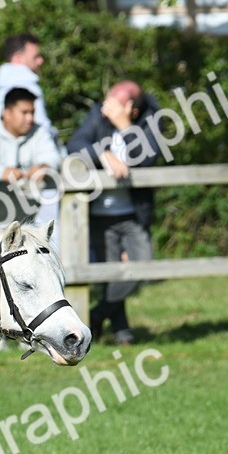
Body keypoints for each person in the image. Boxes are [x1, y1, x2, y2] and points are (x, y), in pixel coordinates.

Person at [66, 80, 162, 345]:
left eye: (114, 104)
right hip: (98, 213)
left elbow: (146, 158)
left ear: (131, 109)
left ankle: (95, 318)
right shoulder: (98, 113)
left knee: (140, 268)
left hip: (133, 213)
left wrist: (125, 128)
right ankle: (122, 332)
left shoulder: (151, 120)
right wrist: (101, 154)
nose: (105, 107)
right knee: (109, 276)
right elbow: (75, 144)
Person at [0, 87, 60, 229]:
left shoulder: (39, 132)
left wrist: (43, 166)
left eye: (32, 112)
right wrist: (2, 172)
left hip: (23, 225)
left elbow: (52, 156)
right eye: (24, 112)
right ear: (7, 113)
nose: (30, 118)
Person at [0, 33, 54, 140]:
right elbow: (43, 130)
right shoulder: (29, 88)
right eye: (35, 57)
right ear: (17, 58)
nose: (41, 61)